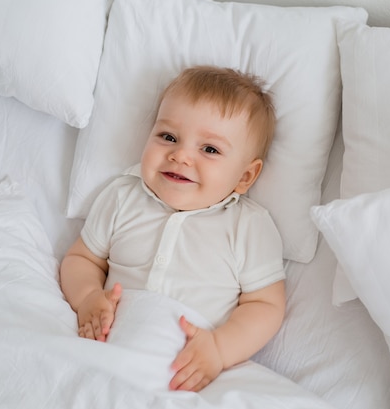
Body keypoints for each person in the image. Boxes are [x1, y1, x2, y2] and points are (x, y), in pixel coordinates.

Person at [59, 65, 285, 393]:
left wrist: (220, 349)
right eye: (169, 137)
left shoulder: (248, 226)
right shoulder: (123, 196)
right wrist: (88, 297)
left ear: (245, 177)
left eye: (210, 149)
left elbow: (266, 306)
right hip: (109, 346)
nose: (180, 155)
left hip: (181, 365)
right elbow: (82, 258)